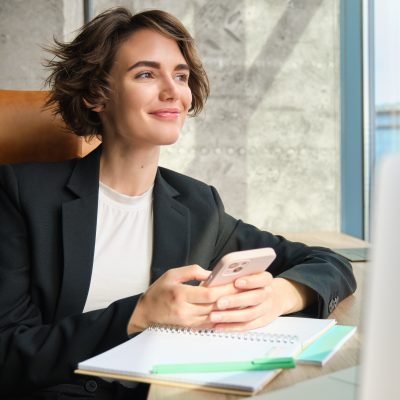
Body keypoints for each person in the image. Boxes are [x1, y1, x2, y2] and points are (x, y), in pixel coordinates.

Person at [0, 7, 356, 400]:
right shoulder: (21, 193)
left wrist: (280, 295)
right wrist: (139, 314)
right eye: (146, 74)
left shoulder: (198, 205)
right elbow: (9, 353)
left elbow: (329, 264)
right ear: (95, 96)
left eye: (181, 75)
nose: (174, 91)